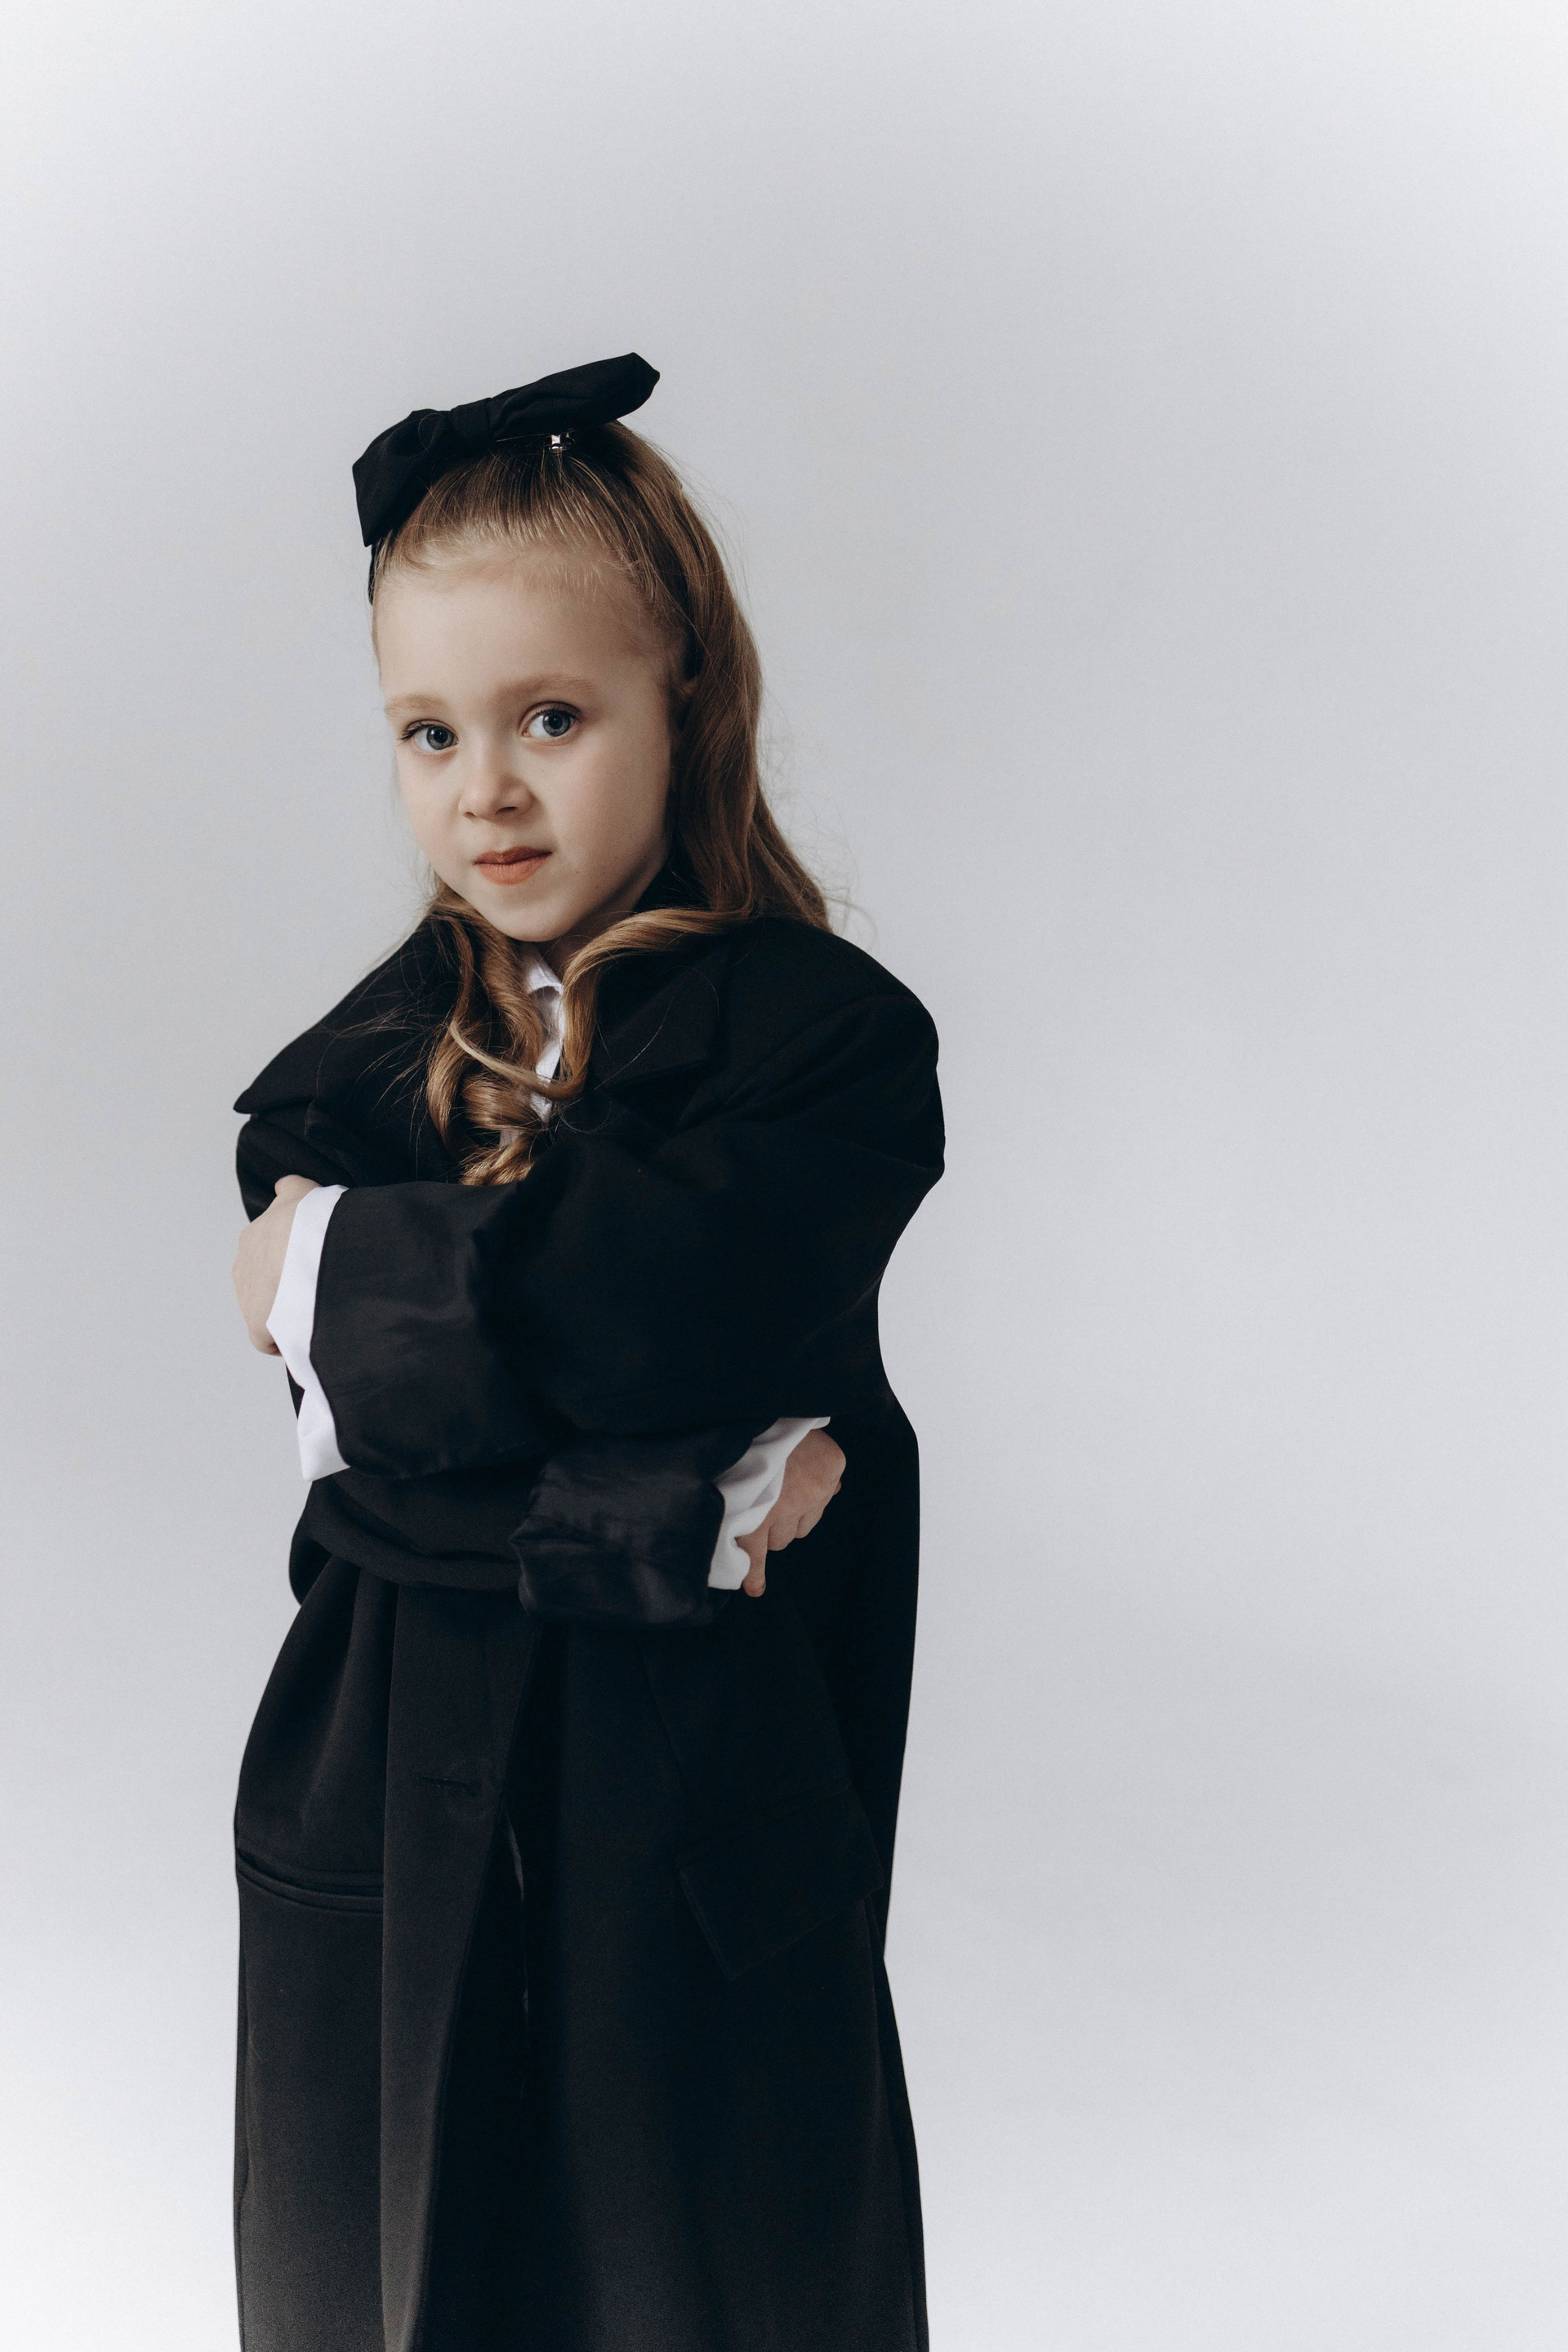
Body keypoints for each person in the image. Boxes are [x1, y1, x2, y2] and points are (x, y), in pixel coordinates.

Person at [229, 354, 944, 2352]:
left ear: (683, 700)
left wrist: (340, 1282)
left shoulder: (827, 1051)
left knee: (703, 2273)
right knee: (388, 2274)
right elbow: (377, 1497)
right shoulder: (344, 1082)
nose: (488, 788)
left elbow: (645, 1305)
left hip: (686, 1811)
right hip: (386, 1787)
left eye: (551, 715)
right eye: (429, 731)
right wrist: (690, 1505)